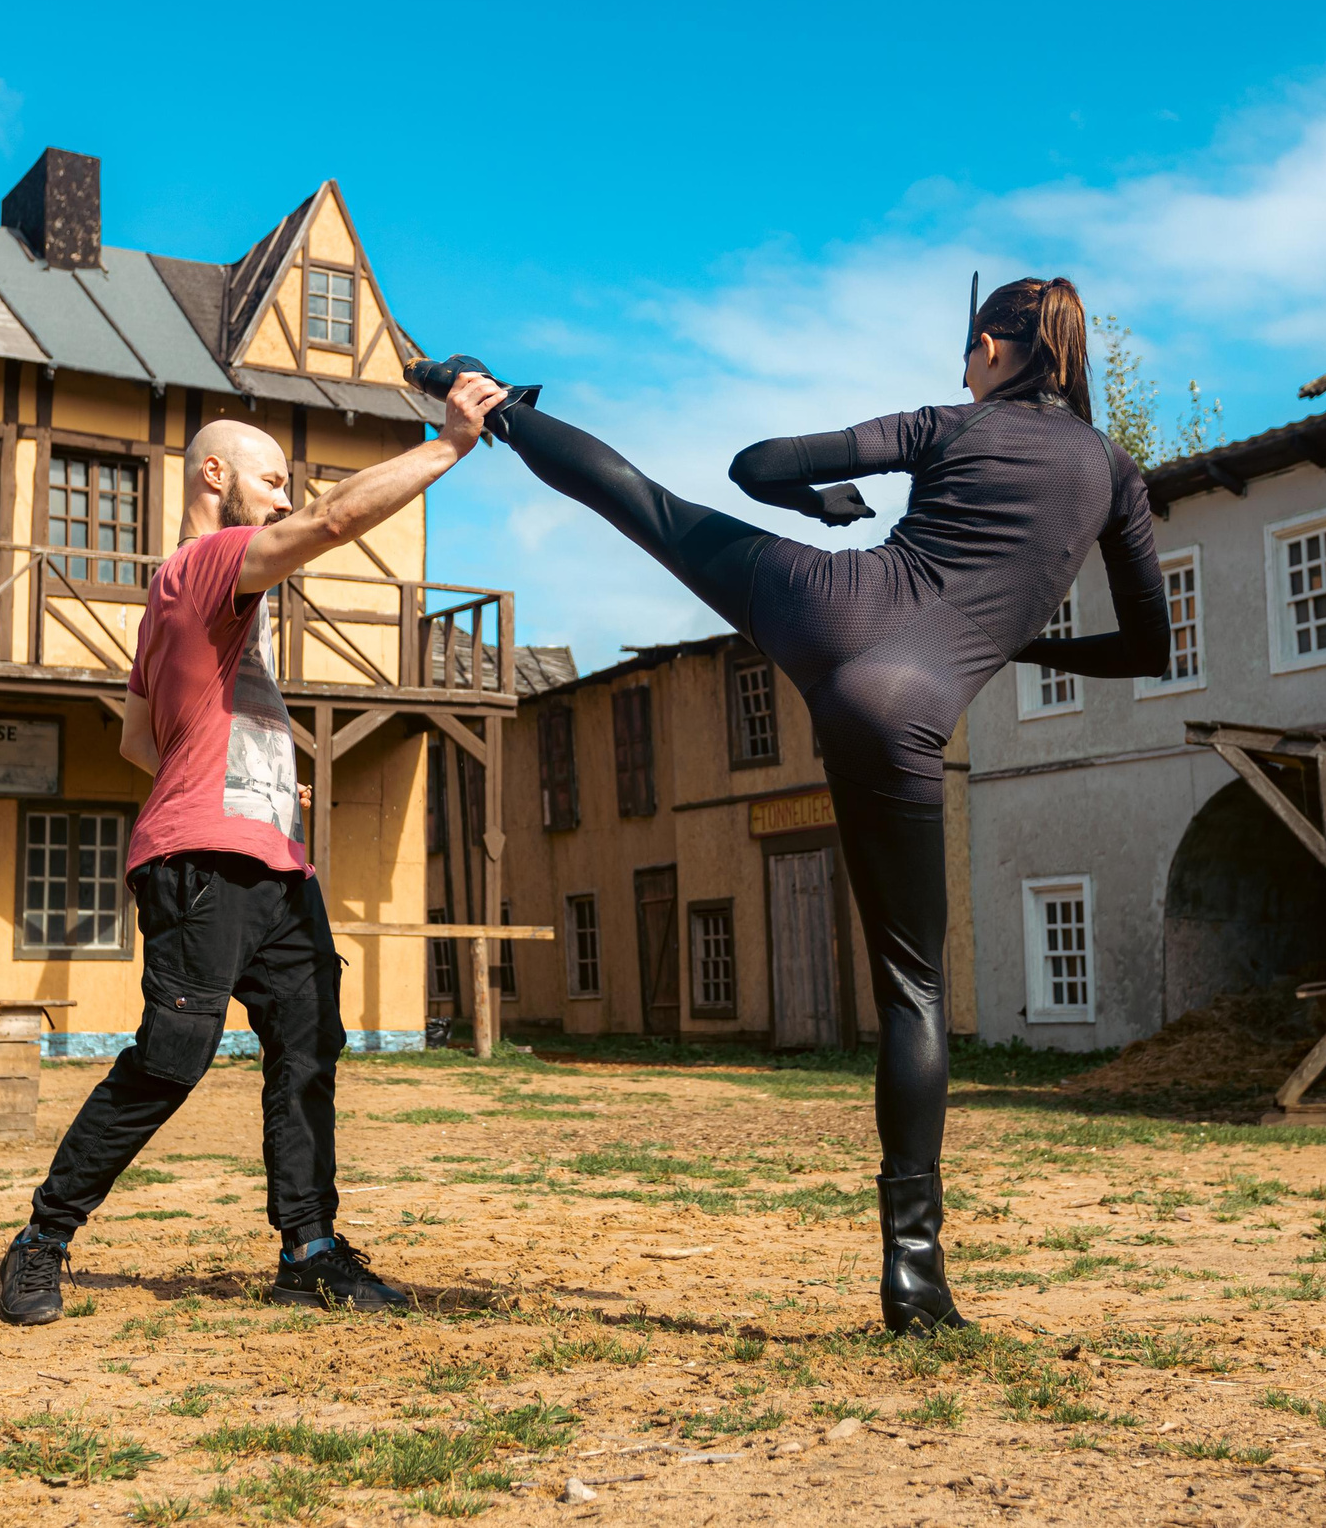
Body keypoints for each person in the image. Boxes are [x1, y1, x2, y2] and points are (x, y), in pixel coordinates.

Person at [470, 276, 1167, 1332]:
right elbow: (1150, 647)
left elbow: (753, 467)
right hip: (914, 698)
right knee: (913, 990)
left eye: (966, 351)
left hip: (823, 604)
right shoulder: (1113, 474)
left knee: (650, 510)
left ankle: (492, 406)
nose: (962, 369)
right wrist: (1013, 639)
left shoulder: (946, 425)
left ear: (992, 345)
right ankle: (915, 1277)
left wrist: (821, 505)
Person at [0, 371, 508, 1325]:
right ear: (216, 476)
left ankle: (309, 1248)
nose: (284, 498)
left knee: (309, 1043)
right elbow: (327, 527)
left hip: (272, 861)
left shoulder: (187, 611)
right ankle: (42, 1239)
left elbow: (137, 739)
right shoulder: (200, 567)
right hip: (202, 871)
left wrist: (261, 778)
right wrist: (447, 446)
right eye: (272, 481)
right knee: (171, 1058)